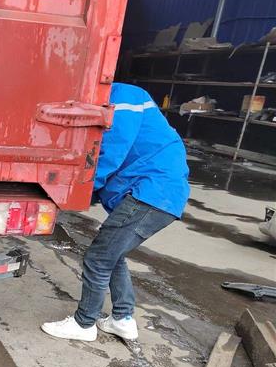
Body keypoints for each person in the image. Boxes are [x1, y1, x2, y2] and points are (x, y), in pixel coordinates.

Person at [41, 83, 190, 342]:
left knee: (98, 258)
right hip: (158, 193)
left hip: (151, 191)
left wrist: (76, 192)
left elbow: (111, 153)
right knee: (113, 254)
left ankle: (84, 324)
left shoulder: (122, 96)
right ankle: (122, 319)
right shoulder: (126, 98)